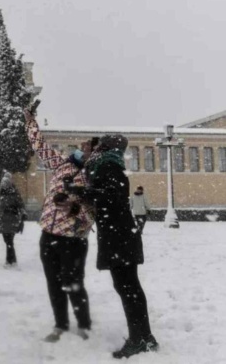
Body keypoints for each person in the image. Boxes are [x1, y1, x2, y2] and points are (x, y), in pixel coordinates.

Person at [66, 134, 158, 359]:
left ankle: (141, 338)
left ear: (107, 148)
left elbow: (111, 197)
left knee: (128, 288)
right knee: (127, 287)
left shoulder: (109, 166)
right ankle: (143, 336)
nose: (95, 149)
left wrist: (80, 192)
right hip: (119, 234)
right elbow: (107, 197)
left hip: (120, 236)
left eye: (99, 146)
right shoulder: (107, 165)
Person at [24, 108, 99, 342]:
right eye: (82, 145)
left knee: (73, 284)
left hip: (73, 240)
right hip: (48, 234)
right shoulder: (62, 165)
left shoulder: (92, 176)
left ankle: (84, 325)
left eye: (86, 147)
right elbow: (40, 147)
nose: (81, 147)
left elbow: (95, 210)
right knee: (54, 284)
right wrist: (30, 122)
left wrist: (75, 208)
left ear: (94, 154)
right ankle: (61, 324)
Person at [0, 171, 26, 267]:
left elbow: (20, 205)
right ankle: (12, 260)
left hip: (11, 219)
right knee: (8, 241)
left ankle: (9, 261)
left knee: (9, 241)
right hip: (3, 220)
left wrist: (15, 211)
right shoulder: (0, 194)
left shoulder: (14, 193)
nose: (4, 185)